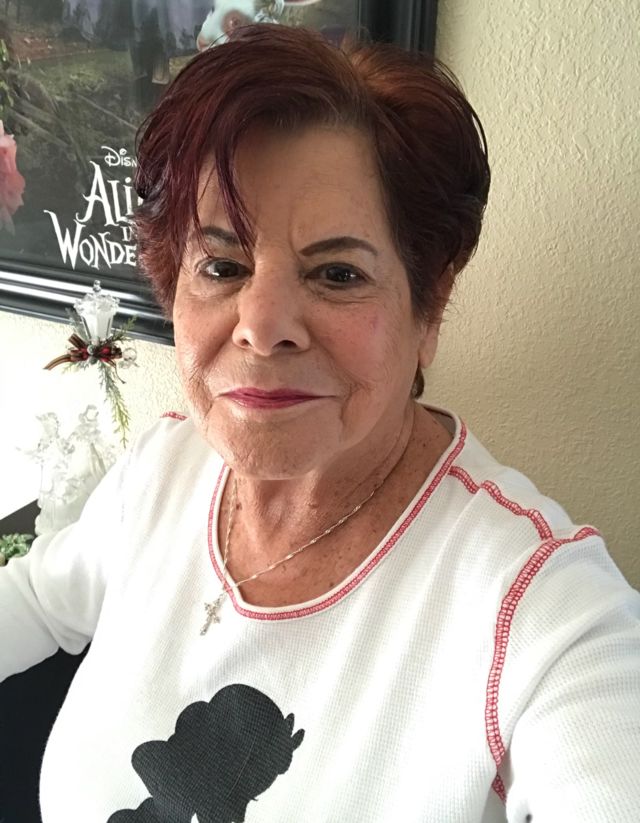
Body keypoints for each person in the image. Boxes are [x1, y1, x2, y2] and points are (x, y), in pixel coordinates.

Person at [1, 24, 639, 823]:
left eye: (337, 273)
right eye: (222, 266)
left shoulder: (541, 608)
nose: (262, 324)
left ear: (429, 305)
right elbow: (37, 597)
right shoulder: (161, 469)